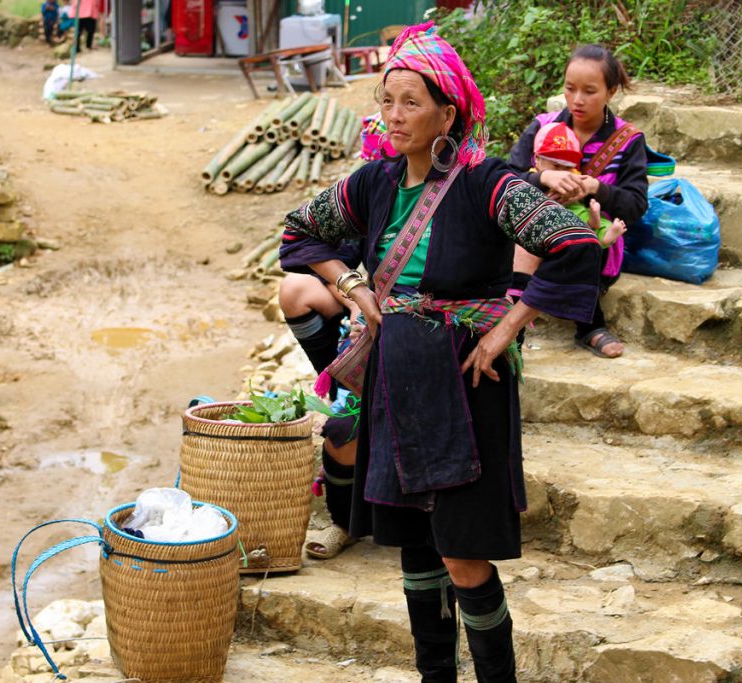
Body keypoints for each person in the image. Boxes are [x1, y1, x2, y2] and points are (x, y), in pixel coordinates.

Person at [280, 22, 601, 683]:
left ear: (447, 112)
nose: (393, 116)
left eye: (411, 103)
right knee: (416, 550)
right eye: (387, 100)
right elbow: (301, 232)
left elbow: (575, 244)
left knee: (463, 555)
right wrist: (347, 281)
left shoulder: (491, 184)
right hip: (398, 378)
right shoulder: (372, 183)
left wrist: (506, 327)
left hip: (465, 379)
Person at [508, 45, 648, 359]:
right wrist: (543, 179)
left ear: (611, 92)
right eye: (570, 89)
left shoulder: (627, 141)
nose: (577, 100)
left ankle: (587, 324)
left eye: (590, 91)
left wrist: (595, 187)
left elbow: (636, 205)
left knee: (575, 237)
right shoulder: (544, 127)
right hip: (532, 232)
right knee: (530, 233)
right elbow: (505, 179)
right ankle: (512, 330)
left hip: (596, 239)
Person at [279, 242, 363, 560]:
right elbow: (318, 257)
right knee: (295, 288)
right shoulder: (376, 194)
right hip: (368, 312)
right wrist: (358, 300)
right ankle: (344, 522)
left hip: (422, 320)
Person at [532, 121, 627, 248]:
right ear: (537, 159)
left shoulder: (574, 173)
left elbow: (583, 188)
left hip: (578, 208)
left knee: (602, 220)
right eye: (555, 166)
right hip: (555, 216)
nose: (562, 172)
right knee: (573, 221)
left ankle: (603, 233)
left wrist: (587, 188)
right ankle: (591, 227)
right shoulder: (532, 175)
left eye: (567, 167)